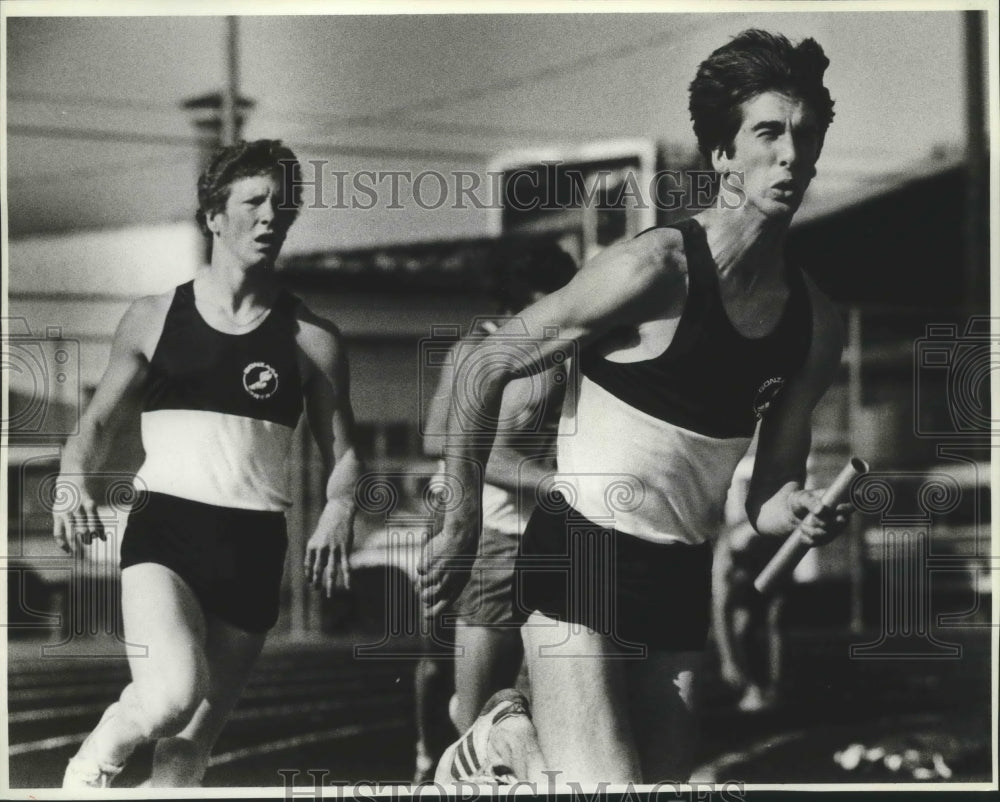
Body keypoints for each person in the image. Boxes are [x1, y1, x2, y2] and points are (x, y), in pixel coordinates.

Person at [420, 29, 854, 786]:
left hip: (679, 574)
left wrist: (803, 510)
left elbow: (770, 497)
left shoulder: (816, 322)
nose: (792, 153)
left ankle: (506, 743)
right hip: (580, 551)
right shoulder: (651, 270)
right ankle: (501, 728)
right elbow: (483, 365)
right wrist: (460, 517)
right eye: (769, 133)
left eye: (806, 135)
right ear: (724, 154)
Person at [53, 139, 361, 788]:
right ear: (214, 217)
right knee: (170, 694)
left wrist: (338, 508)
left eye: (283, 205)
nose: (271, 217)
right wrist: (69, 478)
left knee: (188, 752)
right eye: (254, 202)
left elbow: (344, 452)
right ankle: (91, 767)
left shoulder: (314, 339)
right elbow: (97, 425)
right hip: (165, 527)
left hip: (253, 542)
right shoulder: (154, 318)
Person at [412, 243, 576, 782]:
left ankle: (456, 757)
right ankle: (437, 756)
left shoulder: (564, 354)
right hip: (482, 527)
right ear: (529, 298)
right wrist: (542, 473)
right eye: (555, 294)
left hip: (532, 533)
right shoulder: (479, 350)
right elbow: (440, 433)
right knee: (465, 690)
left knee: (524, 691)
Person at [712, 453, 785, 713]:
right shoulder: (728, 555)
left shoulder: (762, 543)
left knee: (773, 621)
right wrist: (727, 660)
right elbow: (721, 611)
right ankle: (756, 687)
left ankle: (771, 688)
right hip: (743, 557)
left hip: (761, 554)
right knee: (745, 625)